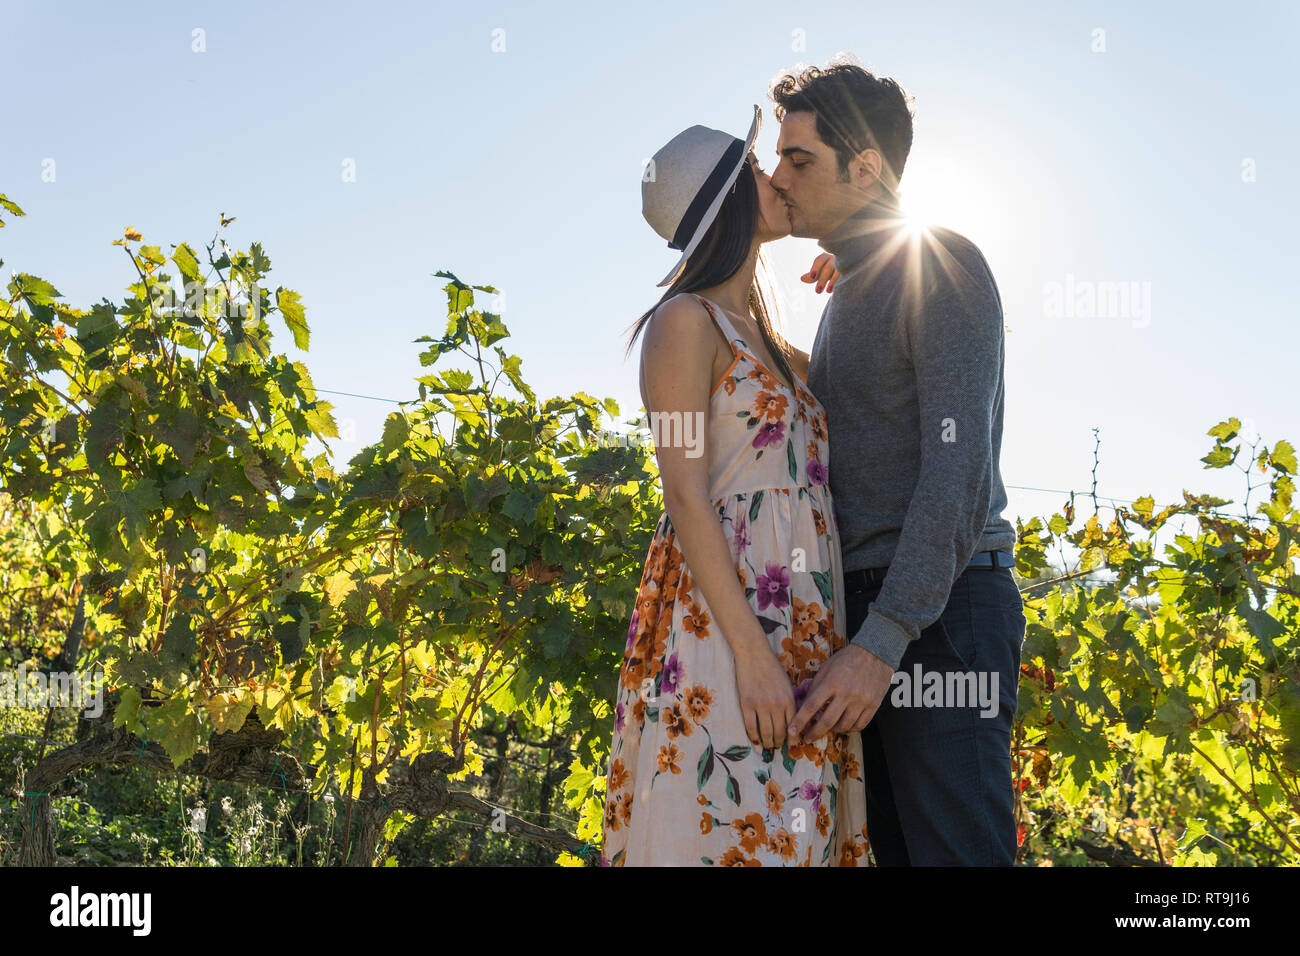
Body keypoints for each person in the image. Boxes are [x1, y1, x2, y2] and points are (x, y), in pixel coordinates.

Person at [771, 60, 1028, 866]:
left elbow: (956, 480)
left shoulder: (942, 264)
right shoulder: (853, 284)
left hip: (940, 617)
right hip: (883, 614)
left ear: (866, 166)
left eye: (799, 159)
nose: (779, 179)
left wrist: (881, 642)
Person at [599, 106, 870, 866]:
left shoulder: (777, 344)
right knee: (725, 829)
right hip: (727, 622)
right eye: (759, 168)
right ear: (729, 202)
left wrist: (861, 262)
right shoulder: (684, 324)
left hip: (806, 619)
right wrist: (751, 655)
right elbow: (683, 491)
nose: (778, 177)